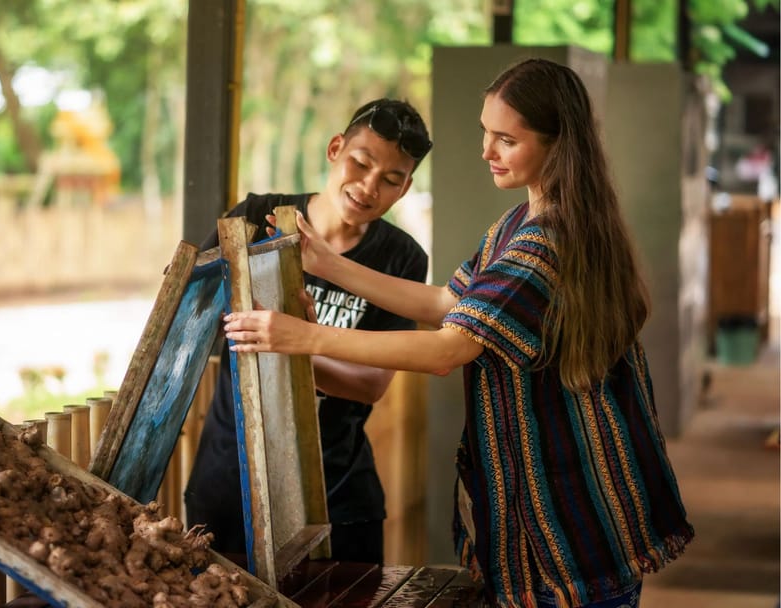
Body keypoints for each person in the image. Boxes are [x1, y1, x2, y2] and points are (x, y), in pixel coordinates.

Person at [222, 58, 694, 607]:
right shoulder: (520, 222)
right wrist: (327, 263)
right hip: (554, 521)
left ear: (556, 145)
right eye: (485, 133)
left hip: (569, 526)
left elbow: (449, 347)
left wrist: (304, 337)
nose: (486, 152)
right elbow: (448, 301)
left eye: (505, 140)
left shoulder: (546, 242)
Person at [184, 98, 433, 564]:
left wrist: (293, 341)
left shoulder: (402, 259)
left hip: (339, 494)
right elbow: (193, 318)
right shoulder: (254, 218)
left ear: (405, 189)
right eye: (360, 163)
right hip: (228, 482)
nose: (367, 186)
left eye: (390, 179)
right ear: (335, 148)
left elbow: (369, 386)